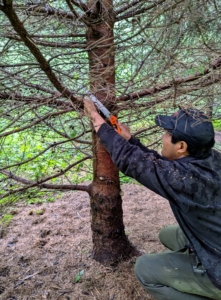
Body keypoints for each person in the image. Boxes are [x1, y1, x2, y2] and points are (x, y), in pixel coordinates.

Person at [84, 98, 221, 300]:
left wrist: (97, 120)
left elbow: (134, 162)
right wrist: (131, 141)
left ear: (181, 146)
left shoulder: (186, 181)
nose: (163, 137)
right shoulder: (210, 159)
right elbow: (161, 169)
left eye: (167, 134)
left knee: (145, 269)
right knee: (168, 234)